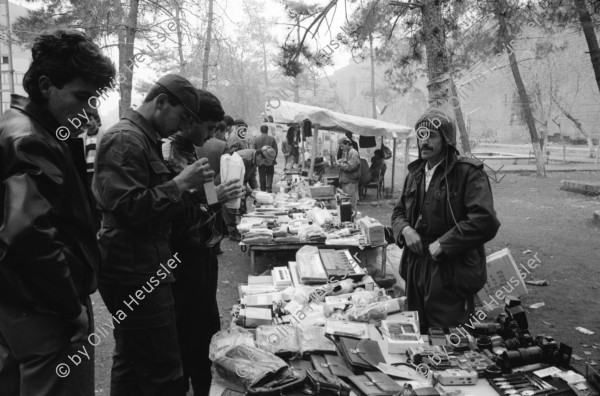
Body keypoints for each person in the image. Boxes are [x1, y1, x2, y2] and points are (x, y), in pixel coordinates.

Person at [0, 30, 115, 396]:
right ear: (47, 86)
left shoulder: (32, 129)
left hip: (22, 304)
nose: (88, 110)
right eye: (81, 97)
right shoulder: (30, 139)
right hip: (47, 312)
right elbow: (28, 236)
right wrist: (70, 308)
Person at [93, 74, 214, 396]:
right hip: (134, 269)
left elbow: (155, 205)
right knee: (164, 371)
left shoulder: (143, 139)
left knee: (131, 360)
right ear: (161, 102)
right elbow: (128, 208)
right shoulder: (125, 140)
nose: (180, 127)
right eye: (182, 117)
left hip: (142, 263)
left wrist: (192, 192)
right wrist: (180, 184)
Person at [162, 89, 244, 395]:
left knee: (206, 332)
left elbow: (195, 198)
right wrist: (216, 197)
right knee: (189, 336)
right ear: (190, 120)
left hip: (202, 253)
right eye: (209, 128)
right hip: (184, 258)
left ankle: (202, 383)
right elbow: (175, 210)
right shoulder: (170, 154)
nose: (212, 135)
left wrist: (218, 194)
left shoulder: (189, 150)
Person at [391, 108, 500, 332]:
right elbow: (398, 212)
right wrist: (405, 230)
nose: (424, 142)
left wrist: (445, 243)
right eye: (421, 135)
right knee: (416, 330)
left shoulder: (467, 172)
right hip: (415, 266)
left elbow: (484, 220)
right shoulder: (415, 174)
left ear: (447, 140)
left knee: (448, 335)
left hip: (451, 269)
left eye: (431, 135)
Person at [221, 146, 277, 241]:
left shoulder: (255, 159)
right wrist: (250, 192)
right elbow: (236, 179)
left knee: (241, 207)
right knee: (231, 206)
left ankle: (238, 229)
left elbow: (251, 176)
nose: (264, 165)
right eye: (265, 162)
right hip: (232, 181)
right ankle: (232, 232)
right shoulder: (245, 159)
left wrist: (258, 191)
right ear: (259, 156)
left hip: (240, 182)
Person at [197, 120, 230, 255]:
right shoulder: (223, 145)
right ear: (218, 131)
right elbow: (225, 169)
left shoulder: (196, 143)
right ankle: (215, 244)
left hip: (196, 183)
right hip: (213, 185)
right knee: (215, 214)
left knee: (199, 211)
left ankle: (203, 241)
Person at [336, 135, 360, 211]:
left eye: (342, 146)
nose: (341, 148)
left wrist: (340, 164)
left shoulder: (353, 153)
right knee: (346, 202)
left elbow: (350, 167)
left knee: (351, 204)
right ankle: (349, 220)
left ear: (347, 144)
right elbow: (346, 160)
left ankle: (352, 220)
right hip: (346, 181)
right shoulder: (348, 152)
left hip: (350, 181)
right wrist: (341, 160)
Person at [254, 125, 278, 192]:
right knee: (270, 173)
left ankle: (263, 189)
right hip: (270, 160)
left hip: (260, 160)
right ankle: (269, 186)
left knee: (262, 175)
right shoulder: (272, 138)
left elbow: (254, 150)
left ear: (260, 130)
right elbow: (275, 150)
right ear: (267, 130)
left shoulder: (256, 139)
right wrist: (273, 158)